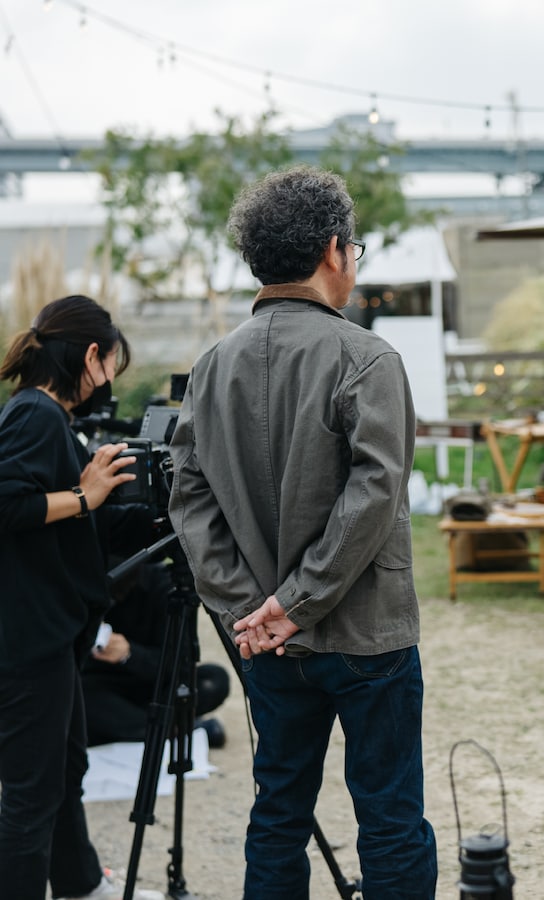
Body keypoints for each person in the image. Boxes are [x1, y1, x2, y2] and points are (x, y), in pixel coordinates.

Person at [168, 165, 436, 898]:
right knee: (389, 817)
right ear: (332, 250)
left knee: (278, 811)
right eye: (354, 250)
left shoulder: (210, 368)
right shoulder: (366, 357)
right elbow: (376, 491)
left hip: (267, 642)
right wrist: (300, 600)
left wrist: (248, 609)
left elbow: (186, 499)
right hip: (367, 634)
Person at [0, 295, 163, 900]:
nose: (108, 384)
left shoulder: (47, 419)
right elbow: (8, 504)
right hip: (29, 640)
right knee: (30, 790)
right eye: (110, 369)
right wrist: (86, 495)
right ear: (91, 357)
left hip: (51, 633)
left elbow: (69, 525)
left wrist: (113, 502)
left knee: (64, 772)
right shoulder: (33, 416)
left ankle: (79, 884)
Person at [82, 561, 230, 748]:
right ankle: (176, 730)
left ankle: (141, 729)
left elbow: (179, 664)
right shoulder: (84, 586)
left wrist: (129, 654)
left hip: (154, 685)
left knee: (213, 680)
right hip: (101, 688)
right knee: (76, 701)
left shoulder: (161, 584)